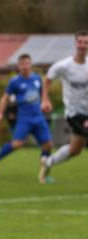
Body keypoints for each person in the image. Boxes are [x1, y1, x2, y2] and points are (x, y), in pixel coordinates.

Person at [0, 53, 53, 176]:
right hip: (24, 118)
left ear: (31, 64)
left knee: (48, 145)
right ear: (18, 66)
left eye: (27, 63)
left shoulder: (37, 78)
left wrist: (46, 102)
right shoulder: (15, 82)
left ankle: (44, 174)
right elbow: (5, 98)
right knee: (17, 144)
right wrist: (0, 113)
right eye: (22, 64)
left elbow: (44, 93)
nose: (25, 66)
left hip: (38, 117)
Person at [38, 30, 88, 183]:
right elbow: (48, 79)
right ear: (75, 43)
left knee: (74, 150)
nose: (82, 45)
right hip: (74, 113)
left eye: (86, 43)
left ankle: (48, 162)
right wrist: (45, 100)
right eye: (80, 42)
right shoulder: (64, 65)